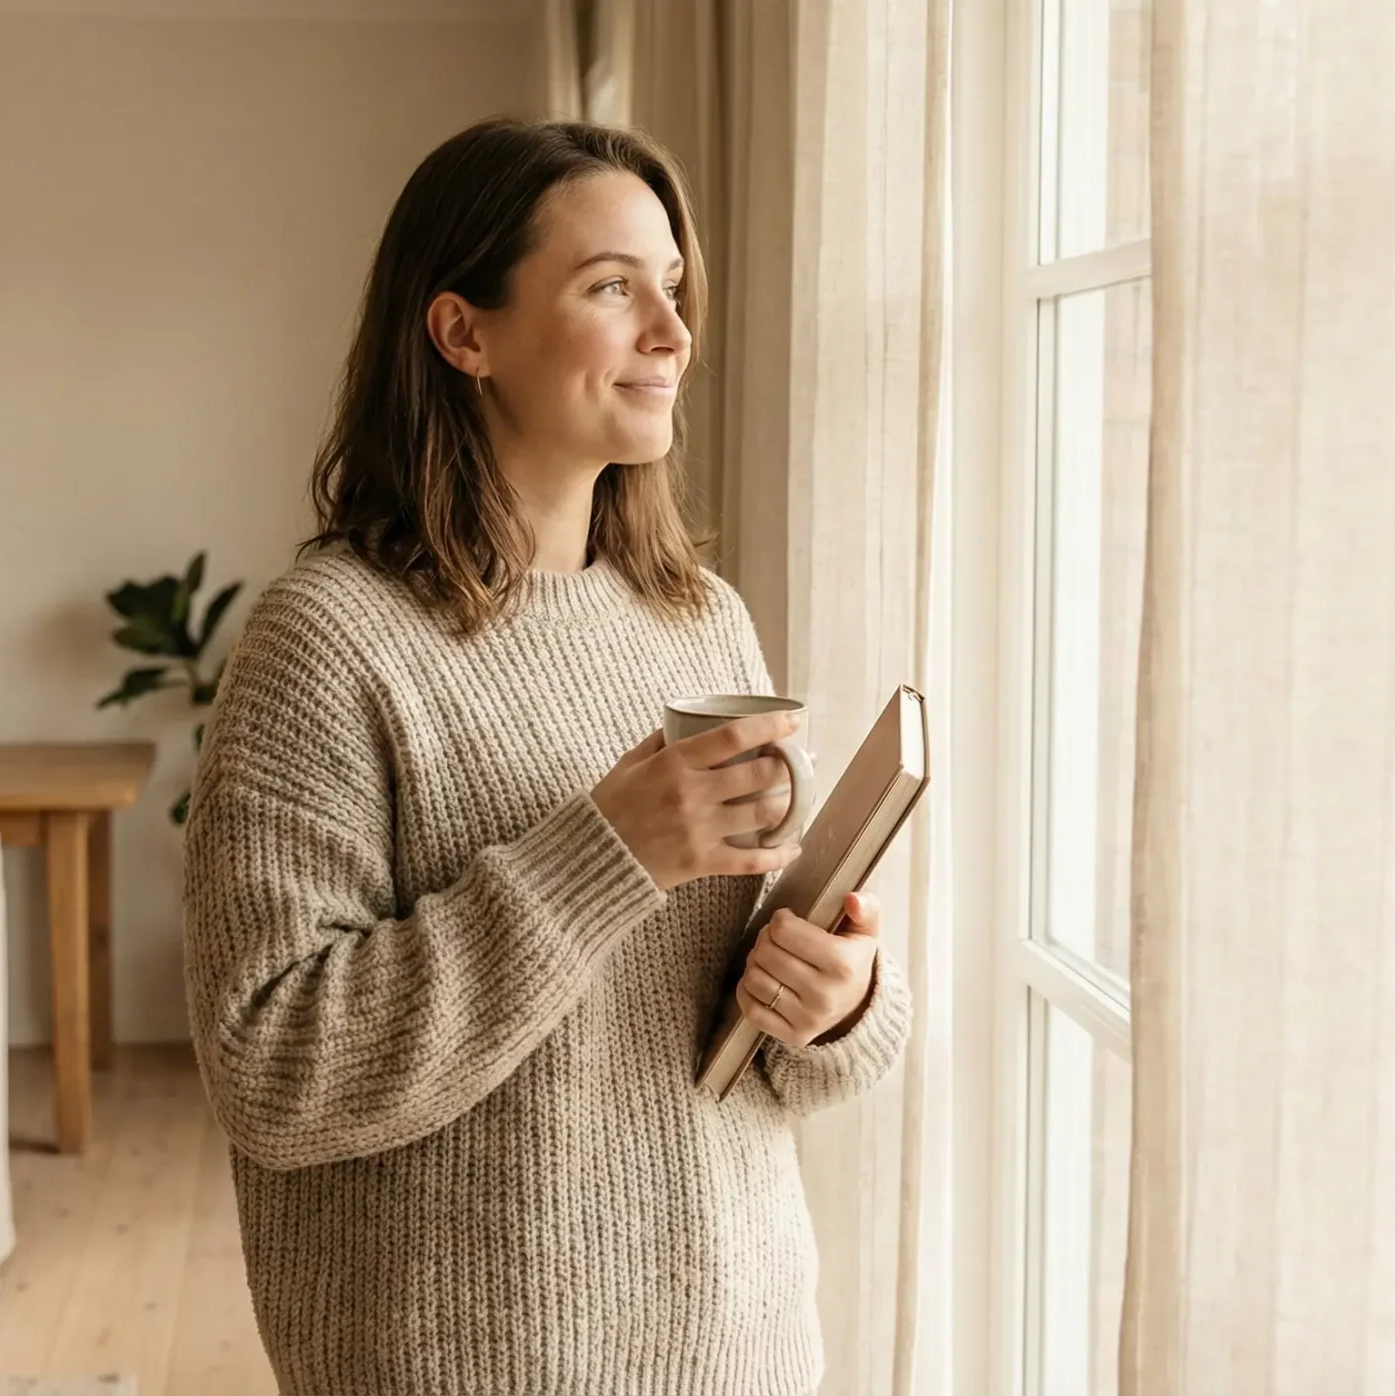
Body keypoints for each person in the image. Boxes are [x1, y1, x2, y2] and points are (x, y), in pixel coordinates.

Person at [181, 115, 911, 1396]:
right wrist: (609, 850)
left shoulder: (699, 618)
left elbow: (718, 1021)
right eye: (611, 287)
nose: (673, 335)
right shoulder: (328, 642)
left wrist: (839, 997)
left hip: (742, 1345)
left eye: (671, 288)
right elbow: (273, 1068)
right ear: (464, 333)